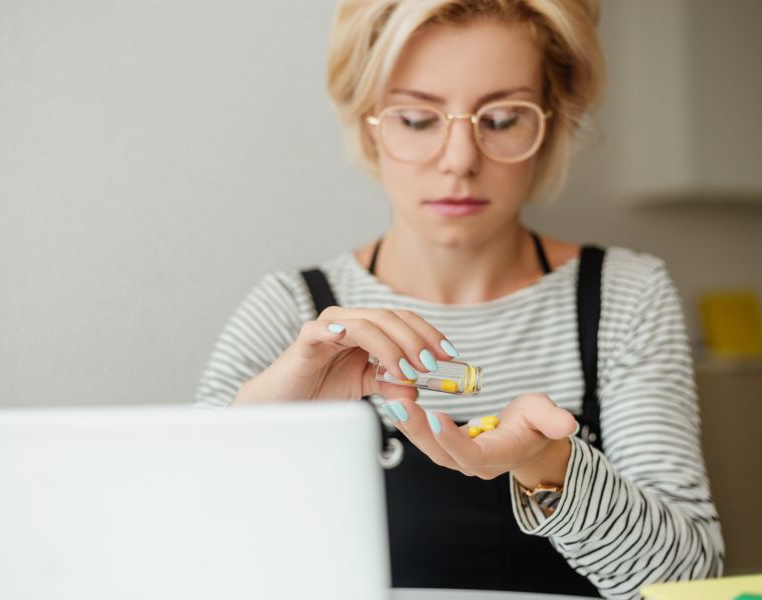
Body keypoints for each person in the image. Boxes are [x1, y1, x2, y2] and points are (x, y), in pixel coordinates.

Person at [195, 1, 724, 597]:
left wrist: (551, 467)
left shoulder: (627, 295)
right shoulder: (292, 310)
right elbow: (178, 552)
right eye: (418, 119)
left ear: (552, 123)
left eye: (500, 119)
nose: (460, 161)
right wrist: (254, 430)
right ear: (369, 124)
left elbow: (687, 582)